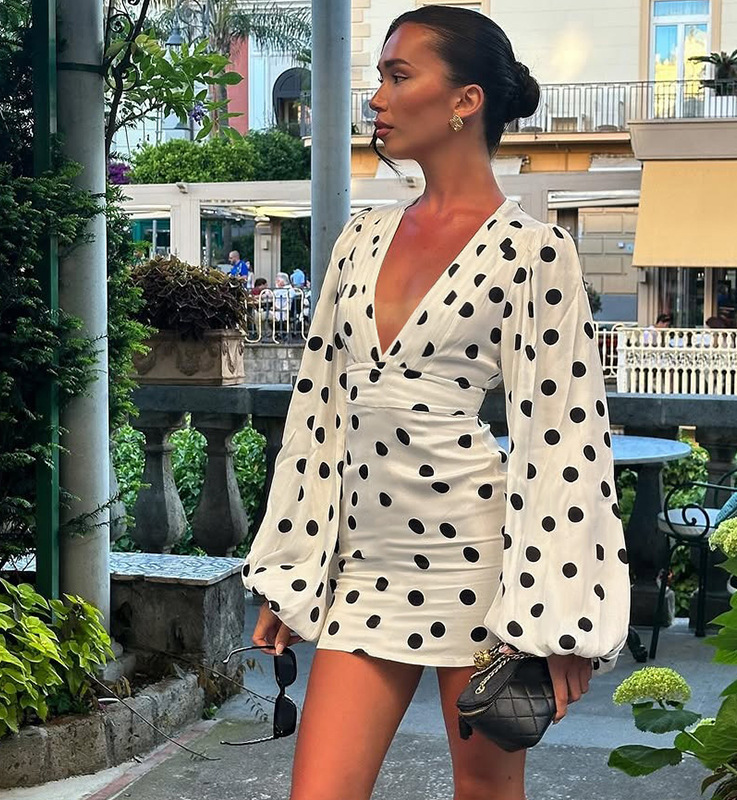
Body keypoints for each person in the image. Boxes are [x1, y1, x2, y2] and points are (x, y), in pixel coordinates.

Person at [242, 7, 630, 800]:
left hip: (479, 572)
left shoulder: (534, 252)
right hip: (364, 568)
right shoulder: (359, 239)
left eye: (398, 75)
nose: (376, 98)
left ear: (465, 101)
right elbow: (317, 414)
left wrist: (559, 614)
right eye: (379, 77)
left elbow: (565, 438)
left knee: (484, 794)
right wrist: (292, 567)